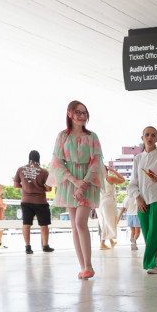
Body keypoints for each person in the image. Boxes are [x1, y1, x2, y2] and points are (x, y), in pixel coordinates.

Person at [50, 100, 103, 279]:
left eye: (85, 113)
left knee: (81, 223)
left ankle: (89, 265)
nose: (82, 116)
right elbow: (57, 161)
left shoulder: (92, 136)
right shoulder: (62, 136)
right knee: (74, 226)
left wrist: (84, 183)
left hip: (88, 181)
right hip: (69, 182)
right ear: (69, 113)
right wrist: (74, 181)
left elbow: (97, 160)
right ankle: (83, 267)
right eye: (78, 112)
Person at [127, 126, 157, 274]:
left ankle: (155, 263)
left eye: (153, 135)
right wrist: (138, 198)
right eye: (147, 135)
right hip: (143, 201)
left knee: (156, 233)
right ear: (142, 138)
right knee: (148, 234)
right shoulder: (137, 158)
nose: (150, 137)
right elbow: (132, 183)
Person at [13, 150, 54, 254]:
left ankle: (28, 247)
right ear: (38, 158)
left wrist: (26, 187)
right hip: (40, 201)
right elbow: (49, 189)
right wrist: (40, 188)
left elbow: (16, 185)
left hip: (26, 200)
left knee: (26, 224)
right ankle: (45, 246)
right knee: (44, 225)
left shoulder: (21, 169)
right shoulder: (44, 172)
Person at [97, 167, 125, 249]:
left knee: (105, 222)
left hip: (100, 203)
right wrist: (113, 171)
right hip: (108, 202)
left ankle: (111, 242)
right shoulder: (109, 178)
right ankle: (102, 243)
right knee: (109, 222)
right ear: (106, 170)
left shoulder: (97, 181)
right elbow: (122, 180)